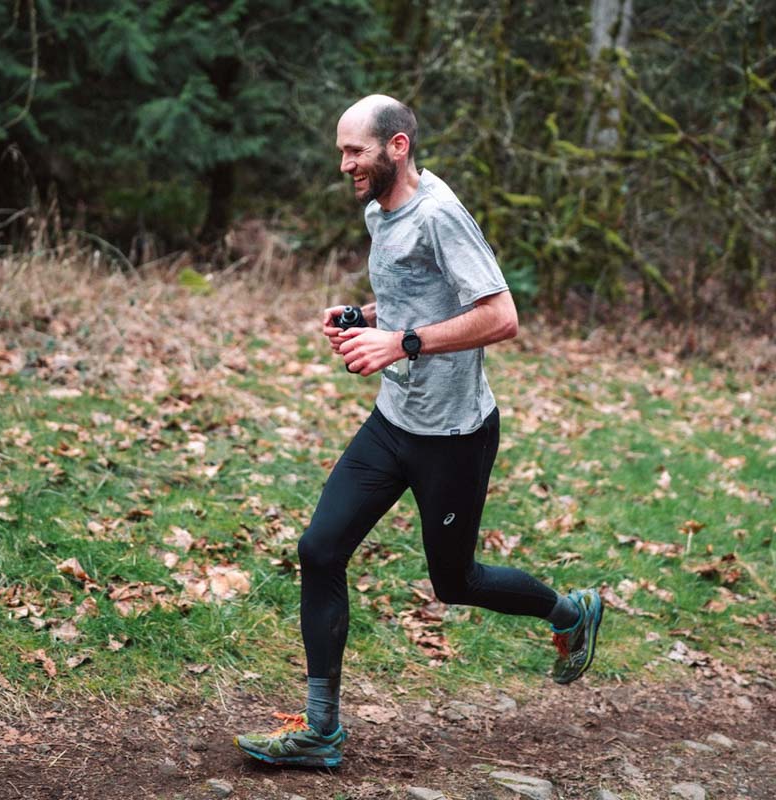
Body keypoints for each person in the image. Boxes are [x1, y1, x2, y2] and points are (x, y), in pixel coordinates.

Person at [234, 94, 603, 768]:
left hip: (454, 438)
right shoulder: (381, 209)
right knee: (319, 550)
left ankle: (570, 613)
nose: (344, 164)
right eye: (341, 152)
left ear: (396, 146)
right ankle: (320, 734)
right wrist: (362, 315)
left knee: (454, 581)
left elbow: (500, 316)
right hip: (393, 423)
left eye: (355, 152)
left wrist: (399, 343)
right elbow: (416, 296)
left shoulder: (439, 216)